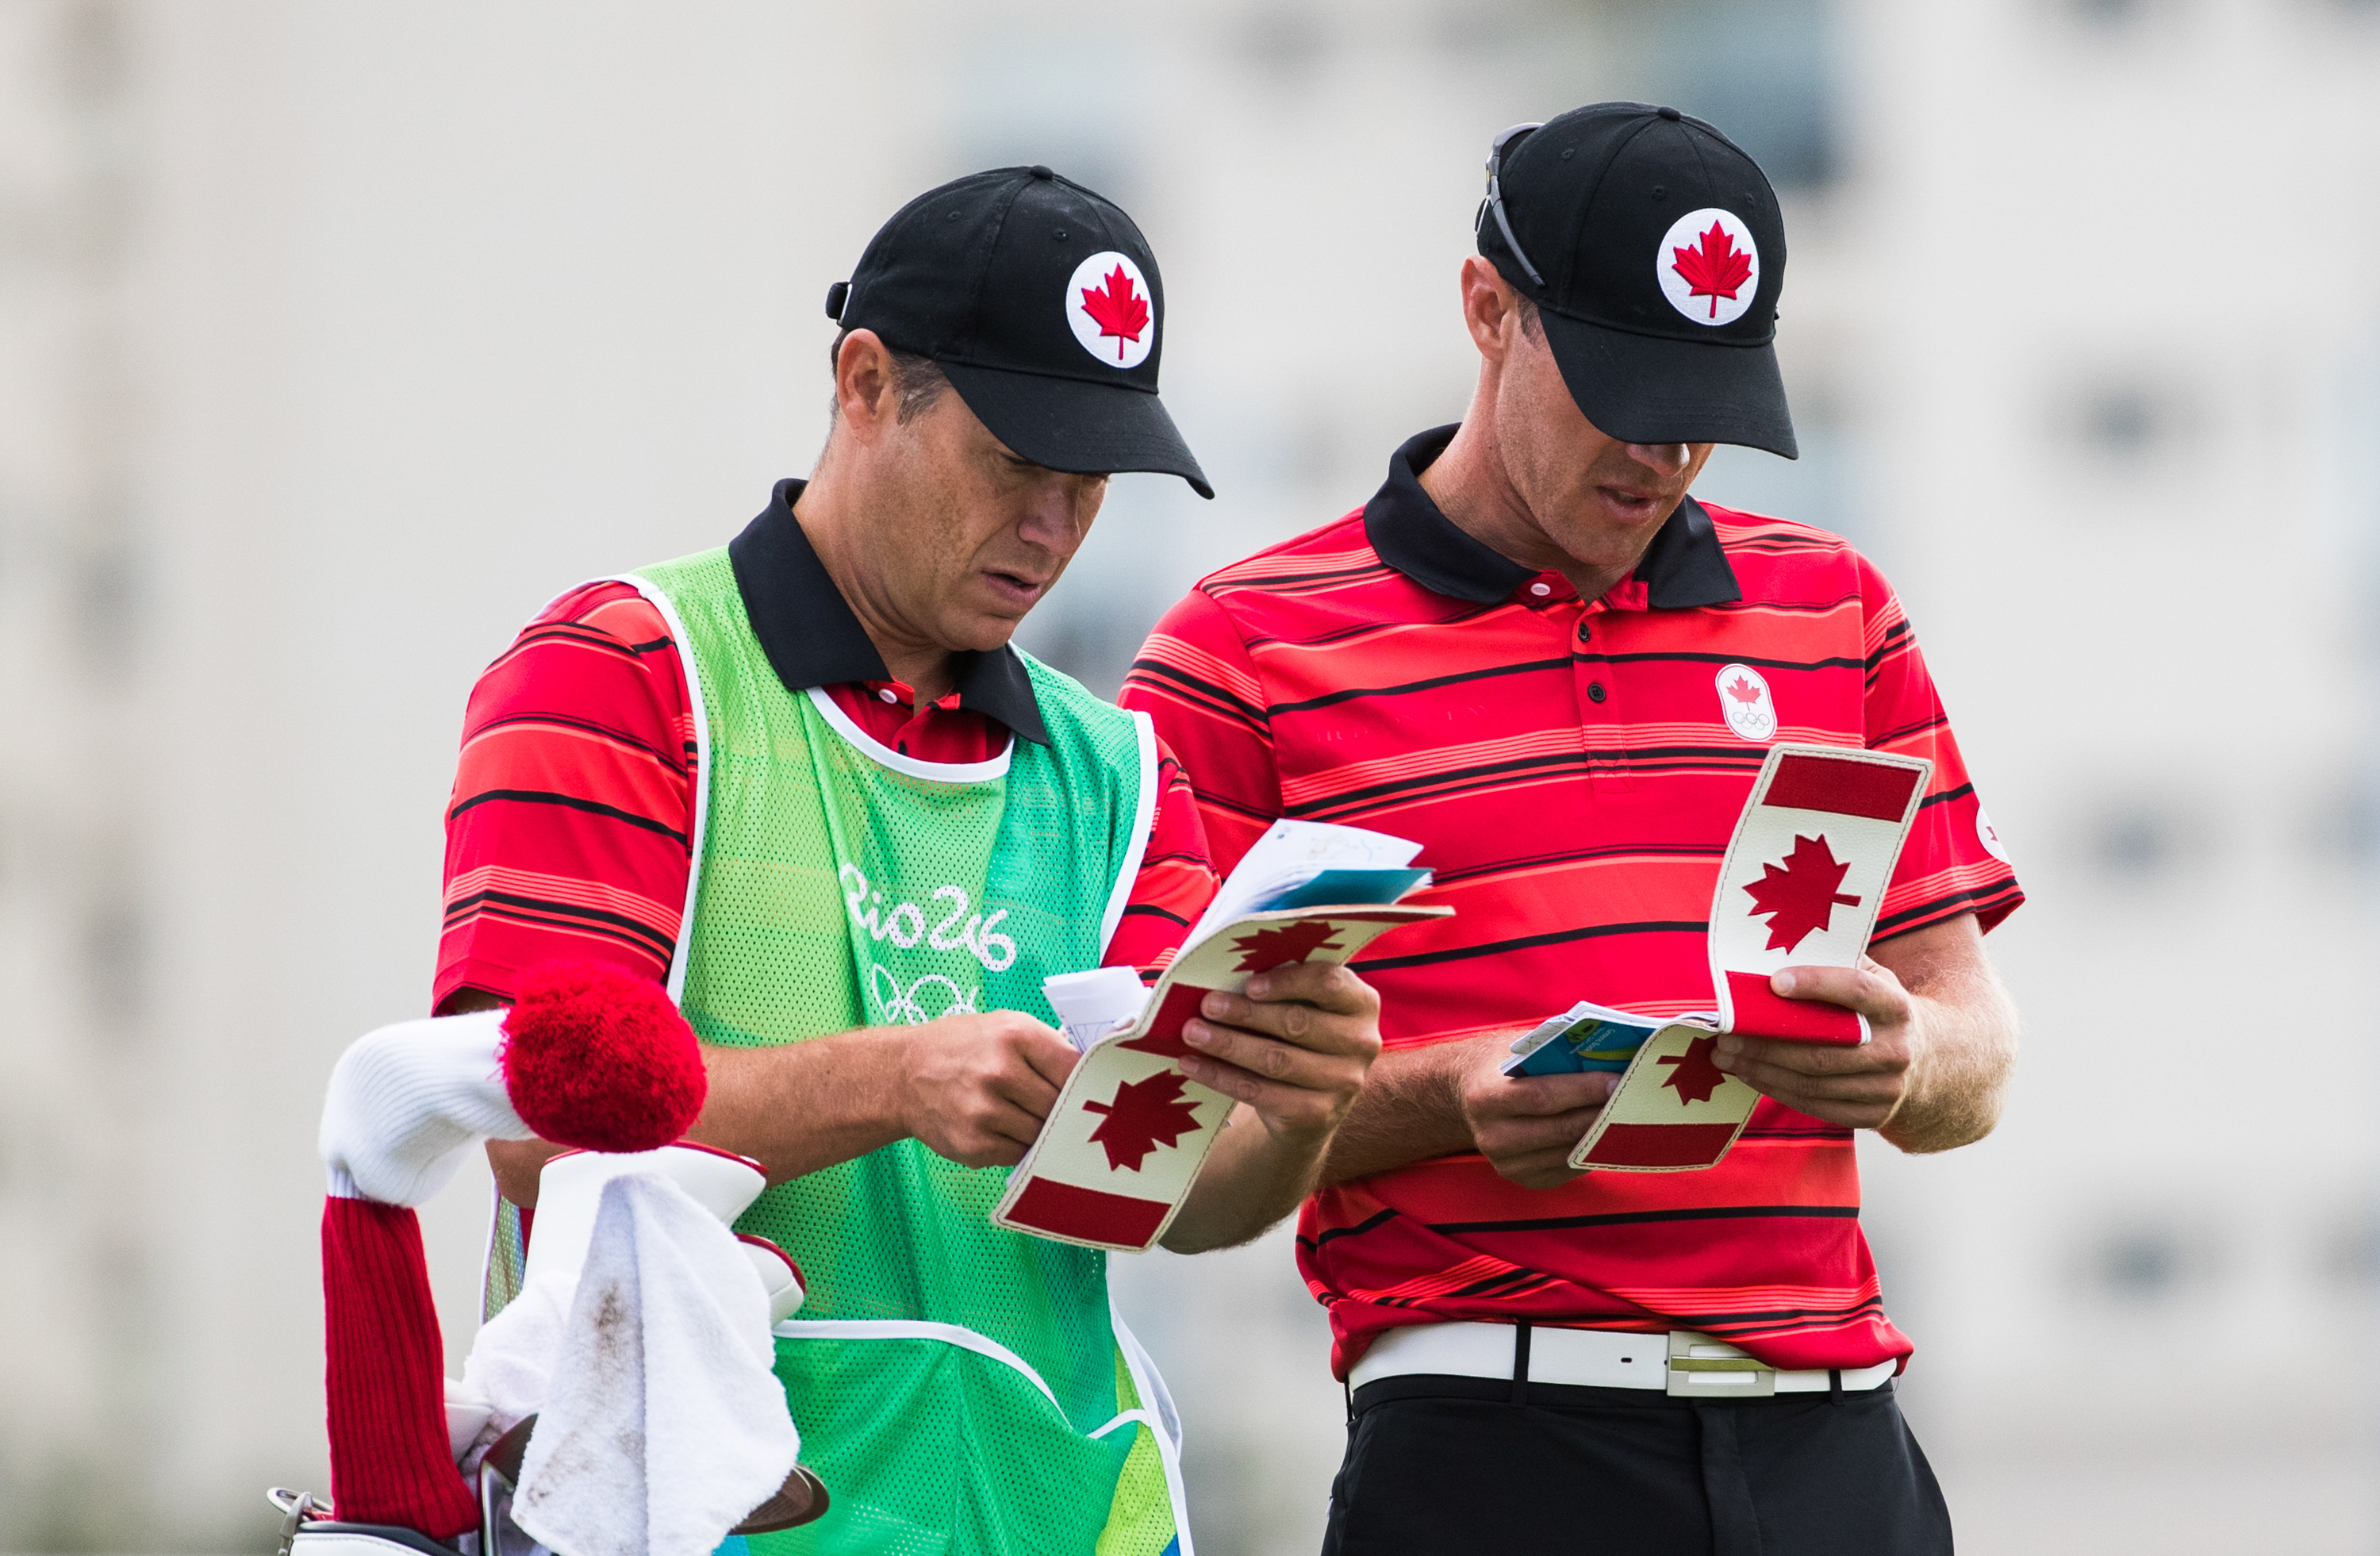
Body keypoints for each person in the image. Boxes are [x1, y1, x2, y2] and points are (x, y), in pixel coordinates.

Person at [434, 166, 1384, 1556]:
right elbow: (533, 1127)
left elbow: (1182, 1196)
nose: (1053, 526)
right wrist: (895, 1077)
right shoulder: (623, 674)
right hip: (704, 1518)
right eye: (1014, 463)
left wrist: (1296, 1111)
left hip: (1067, 1520)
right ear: (865, 383)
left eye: (1091, 481)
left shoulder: (1120, 774)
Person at [1120, 105, 2023, 1555]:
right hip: (1494, 1448)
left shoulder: (1836, 609)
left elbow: (1974, 1044)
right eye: (1625, 388)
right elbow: (1166, 1147)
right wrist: (1449, 1094)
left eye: (1703, 405)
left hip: (1840, 1441)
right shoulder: (1240, 655)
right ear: (1488, 311)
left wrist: (1902, 1057)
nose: (1665, 451)